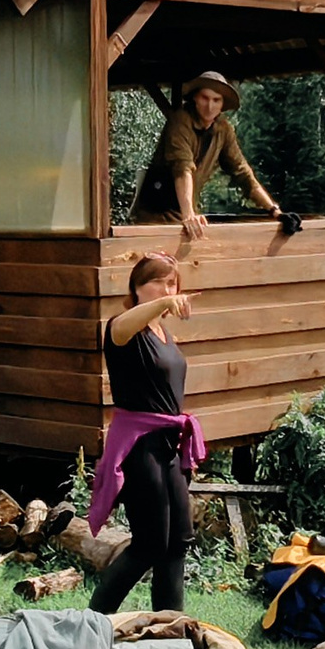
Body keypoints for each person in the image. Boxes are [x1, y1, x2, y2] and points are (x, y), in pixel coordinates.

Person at [84, 253, 206, 613]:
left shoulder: (163, 333)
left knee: (177, 541)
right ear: (136, 289)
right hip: (139, 446)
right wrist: (165, 302)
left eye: (172, 283)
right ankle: (93, 622)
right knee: (150, 543)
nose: (167, 289)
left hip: (167, 443)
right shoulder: (122, 328)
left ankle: (170, 627)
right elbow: (122, 326)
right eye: (157, 281)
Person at [130, 72, 283, 239]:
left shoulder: (223, 129)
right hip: (154, 214)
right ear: (195, 98)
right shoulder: (180, 121)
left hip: (183, 215)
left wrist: (275, 211)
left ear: (222, 104)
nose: (210, 106)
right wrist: (189, 215)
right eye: (205, 98)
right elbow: (183, 168)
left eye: (216, 100)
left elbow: (242, 173)